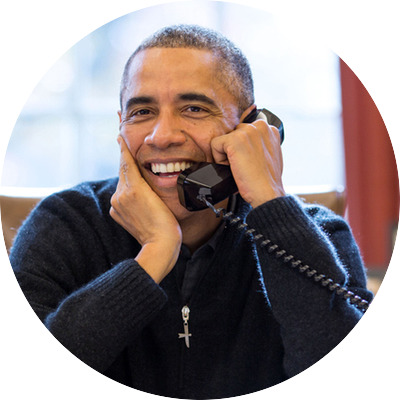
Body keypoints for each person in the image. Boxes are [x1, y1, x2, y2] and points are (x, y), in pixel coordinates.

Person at [10, 24, 373, 399]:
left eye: (194, 109)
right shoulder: (64, 224)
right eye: (143, 111)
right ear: (121, 124)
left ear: (250, 127)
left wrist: (271, 205)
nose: (162, 136)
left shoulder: (320, 237)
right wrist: (154, 254)